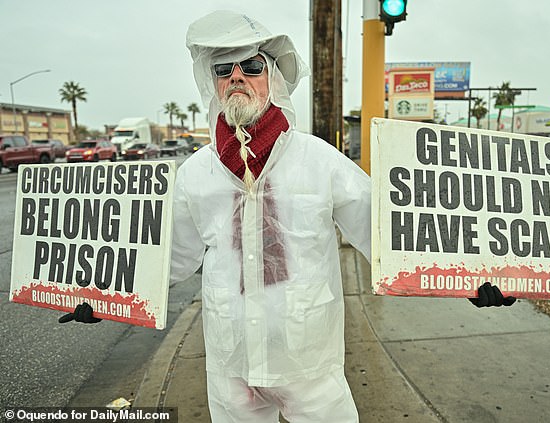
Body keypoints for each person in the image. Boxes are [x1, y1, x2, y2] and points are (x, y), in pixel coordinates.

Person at [60, 10, 515, 422]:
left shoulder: (320, 160)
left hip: (308, 363)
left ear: (272, 77)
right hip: (230, 366)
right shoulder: (196, 173)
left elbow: (384, 231)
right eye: (224, 69)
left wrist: (466, 279)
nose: (237, 77)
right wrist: (105, 300)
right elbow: (171, 258)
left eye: (251, 66)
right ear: (214, 83)